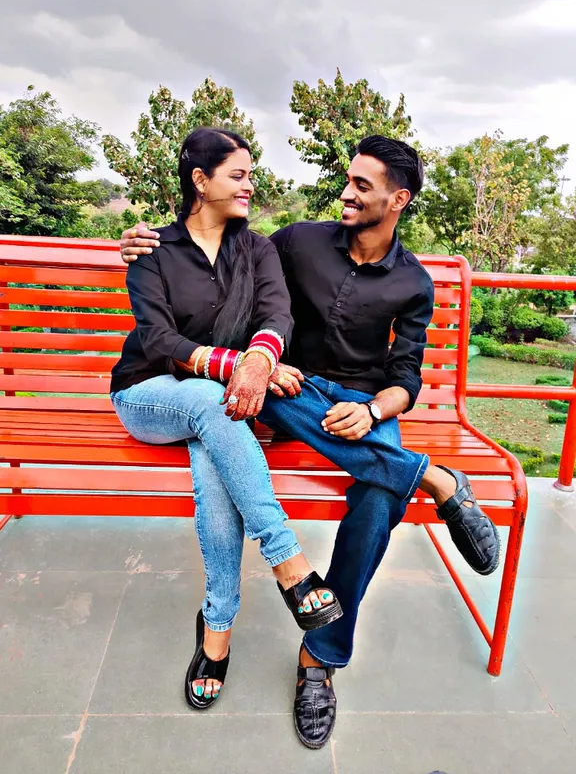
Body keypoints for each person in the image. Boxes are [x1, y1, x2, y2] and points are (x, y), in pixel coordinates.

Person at [119, 135, 500, 747]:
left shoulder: (413, 283)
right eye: (347, 181)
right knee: (247, 394)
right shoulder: (296, 239)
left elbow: (406, 378)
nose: (345, 193)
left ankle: (318, 659)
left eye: (362, 187)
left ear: (398, 200)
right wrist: (141, 240)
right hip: (283, 389)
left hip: (363, 405)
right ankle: (433, 478)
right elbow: (226, 266)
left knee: (379, 499)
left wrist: (374, 408)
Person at [110, 127, 342, 712]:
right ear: (200, 180)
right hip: (150, 394)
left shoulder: (256, 249)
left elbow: (277, 313)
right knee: (219, 406)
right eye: (238, 174)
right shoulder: (152, 249)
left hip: (220, 408)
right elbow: (158, 338)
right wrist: (241, 367)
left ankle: (216, 637)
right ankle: (289, 563)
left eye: (249, 173)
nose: (249, 184)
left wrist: (262, 358)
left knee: (218, 470)